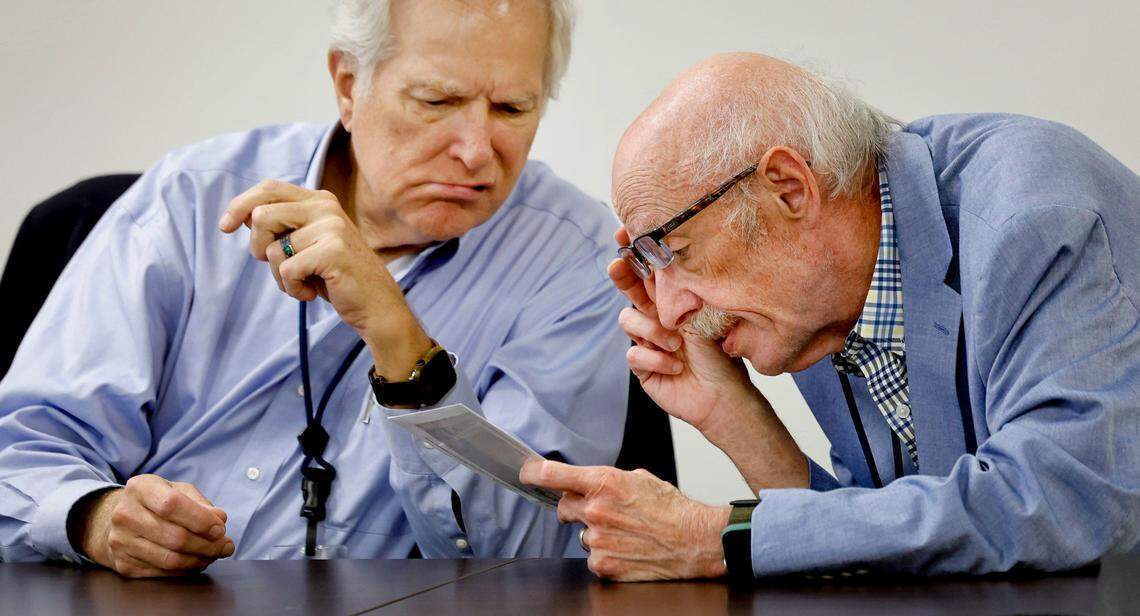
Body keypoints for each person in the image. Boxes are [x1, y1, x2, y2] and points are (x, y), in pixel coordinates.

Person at [0, 0, 630, 577]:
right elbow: (22, 449)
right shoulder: (192, 200)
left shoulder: (578, 259)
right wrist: (99, 519)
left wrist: (401, 341)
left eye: (513, 109)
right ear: (349, 84)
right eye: (437, 101)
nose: (475, 151)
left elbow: (530, 559)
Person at [521, 52, 1140, 581]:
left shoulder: (1033, 218)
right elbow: (879, 541)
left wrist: (718, 539)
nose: (673, 308)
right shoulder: (819, 296)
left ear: (789, 189)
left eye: (677, 254)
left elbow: (1063, 504)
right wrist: (734, 417)